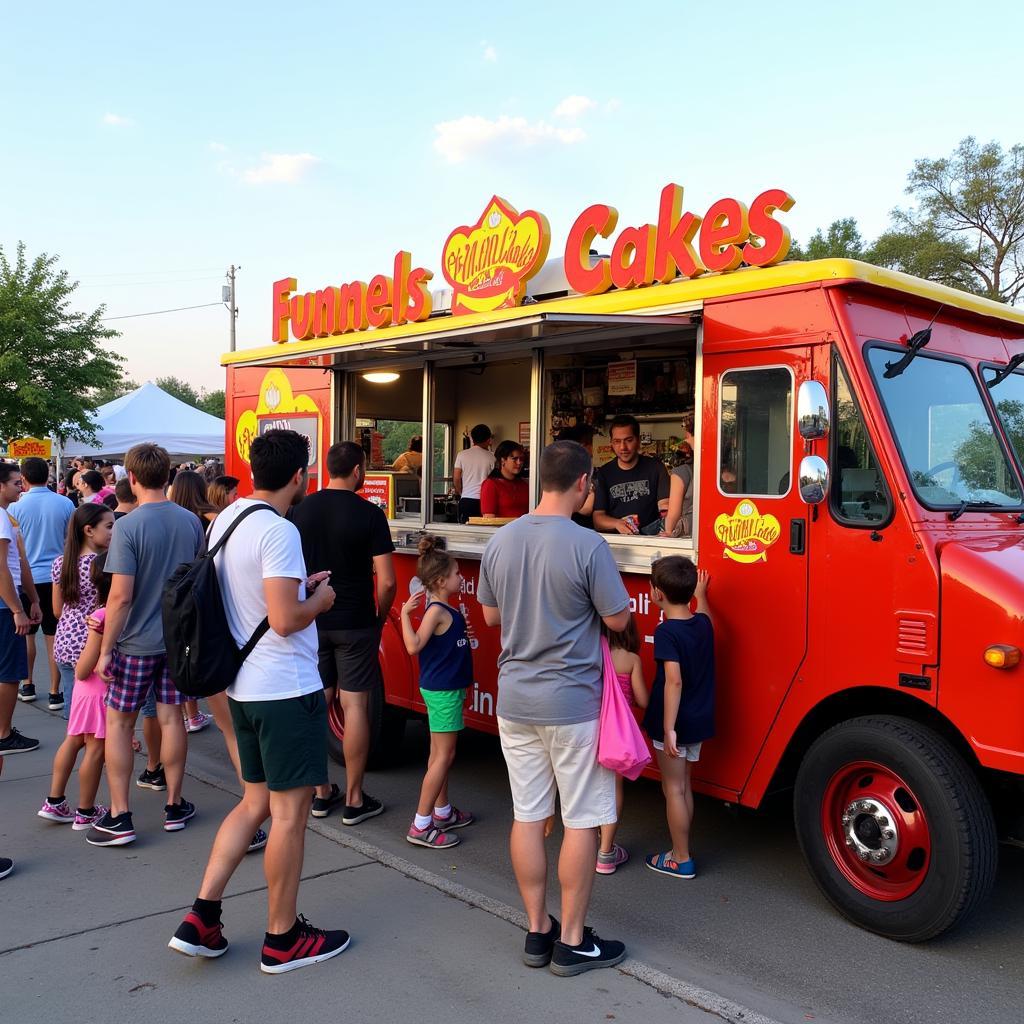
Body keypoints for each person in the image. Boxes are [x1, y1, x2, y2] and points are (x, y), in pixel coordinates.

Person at [169, 428, 350, 974]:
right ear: (300, 475)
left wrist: (299, 590)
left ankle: (201, 916)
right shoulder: (279, 531)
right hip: (284, 690)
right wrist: (318, 598)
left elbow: (247, 596)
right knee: (289, 815)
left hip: (241, 688)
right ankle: (283, 937)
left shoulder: (229, 517)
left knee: (253, 803)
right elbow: (283, 618)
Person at [477, 440, 630, 976]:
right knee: (582, 820)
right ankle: (572, 940)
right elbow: (615, 621)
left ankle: (537, 931)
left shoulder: (502, 540)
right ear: (584, 483)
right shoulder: (589, 547)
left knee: (527, 816)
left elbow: (491, 617)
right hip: (572, 705)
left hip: (515, 701)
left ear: (540, 478)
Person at [87, 444, 205, 848]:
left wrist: (106, 649)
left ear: (132, 478)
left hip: (135, 643)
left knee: (120, 723)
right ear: (168, 475)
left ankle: (120, 815)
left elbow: (119, 597)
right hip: (176, 640)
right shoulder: (190, 521)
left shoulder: (128, 526)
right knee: (173, 720)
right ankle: (174, 805)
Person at [290, 441, 396, 823]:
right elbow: (386, 582)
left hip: (311, 621)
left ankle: (321, 793)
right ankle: (354, 798)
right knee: (354, 708)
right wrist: (380, 618)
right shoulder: (370, 514)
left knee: (317, 703)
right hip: (355, 622)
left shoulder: (300, 511)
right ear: (357, 470)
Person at [399, 536, 475, 849]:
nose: (462, 578)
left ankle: (441, 811)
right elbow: (413, 646)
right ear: (442, 580)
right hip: (442, 691)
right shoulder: (435, 612)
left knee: (437, 753)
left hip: (446, 689)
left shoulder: (444, 608)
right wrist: (404, 616)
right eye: (458, 574)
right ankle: (421, 823)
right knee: (444, 756)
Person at [642, 557, 714, 880]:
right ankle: (682, 849)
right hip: (698, 718)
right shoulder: (701, 624)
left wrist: (668, 728)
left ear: (656, 593)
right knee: (684, 786)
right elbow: (708, 618)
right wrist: (704, 595)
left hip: (674, 721)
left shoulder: (667, 632)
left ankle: (680, 857)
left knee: (672, 789)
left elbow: (674, 680)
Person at [37, 554, 113, 831]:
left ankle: (55, 800)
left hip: (84, 692)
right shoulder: (104, 616)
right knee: (95, 749)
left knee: (73, 738)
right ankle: (86, 810)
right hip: (97, 692)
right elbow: (82, 669)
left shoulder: (96, 612)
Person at [14, 457, 74, 709]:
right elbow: (71, 539)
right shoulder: (65, 503)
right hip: (56, 577)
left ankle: (27, 684)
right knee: (53, 635)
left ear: (24, 478)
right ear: (47, 474)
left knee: (28, 635)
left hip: (26, 577)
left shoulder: (15, 506)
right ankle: (54, 691)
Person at [51, 503, 114, 734]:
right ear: (89, 530)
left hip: (64, 642)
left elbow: (57, 610)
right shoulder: (103, 564)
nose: (112, 532)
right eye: (108, 526)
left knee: (75, 713)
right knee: (99, 717)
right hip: (91, 642)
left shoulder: (61, 563)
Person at [596, 615, 648, 875]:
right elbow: (642, 699)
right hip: (615, 736)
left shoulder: (594, 654)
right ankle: (606, 852)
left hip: (591, 728)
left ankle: (587, 837)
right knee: (613, 788)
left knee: (589, 786)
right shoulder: (632, 660)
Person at [169, 471, 218, 733]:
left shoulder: (173, 516)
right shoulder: (210, 517)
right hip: (200, 589)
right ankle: (197, 713)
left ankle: (184, 714)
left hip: (174, 592)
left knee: (179, 653)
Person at [0, 463, 41, 756]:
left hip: (8, 599)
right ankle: (3, 734)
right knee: (9, 672)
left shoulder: (8, 518)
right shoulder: (2, 518)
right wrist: (18, 608)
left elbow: (20, 561)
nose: (21, 487)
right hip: (5, 603)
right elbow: (2, 566)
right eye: (16, 483)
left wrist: (33, 598)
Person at [592, 415, 670, 536]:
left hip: (652, 540)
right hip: (618, 542)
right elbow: (598, 519)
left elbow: (666, 509)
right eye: (617, 441)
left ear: (638, 440)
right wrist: (617, 523)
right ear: (611, 443)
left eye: (628, 440)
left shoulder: (656, 468)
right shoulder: (604, 473)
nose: (623, 447)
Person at [453, 424, 494, 522]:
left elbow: (457, 478)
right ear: (489, 440)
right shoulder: (492, 457)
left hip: (467, 499)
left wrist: (461, 492)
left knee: (466, 530)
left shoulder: (462, 455)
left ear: (472, 438)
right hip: (486, 501)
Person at [480, 441, 529, 519]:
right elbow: (489, 518)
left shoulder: (524, 484)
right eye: (515, 459)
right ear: (503, 460)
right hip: (502, 529)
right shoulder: (491, 484)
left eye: (521, 459)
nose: (519, 462)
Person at [663, 424, 696, 538]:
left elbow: (673, 514)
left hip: (690, 537)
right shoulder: (725, 470)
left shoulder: (682, 472)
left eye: (687, 436)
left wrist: (668, 531)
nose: (686, 440)